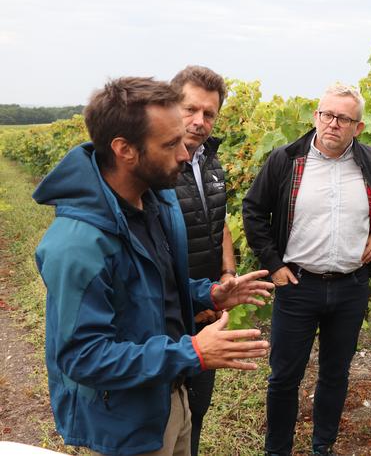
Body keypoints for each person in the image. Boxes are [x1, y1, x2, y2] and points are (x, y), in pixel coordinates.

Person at [33, 77, 274, 456]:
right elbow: (83, 357)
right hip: (126, 421)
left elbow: (153, 289)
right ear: (125, 150)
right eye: (170, 144)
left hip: (169, 396)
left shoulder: (156, 203)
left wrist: (207, 293)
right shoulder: (78, 244)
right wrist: (192, 353)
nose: (185, 153)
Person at [243, 84, 371, 456]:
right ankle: (278, 451)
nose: (333, 124)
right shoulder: (285, 161)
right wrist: (273, 265)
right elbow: (253, 211)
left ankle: (323, 447)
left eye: (344, 118)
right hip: (297, 286)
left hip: (351, 286)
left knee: (335, 375)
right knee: (284, 377)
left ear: (359, 127)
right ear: (315, 117)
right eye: (327, 115)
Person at [171, 65, 233, 455]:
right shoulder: (154, 165)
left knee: (197, 410)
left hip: (206, 303)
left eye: (209, 113)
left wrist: (226, 274)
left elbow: (220, 220)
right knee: (164, 414)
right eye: (191, 109)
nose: (199, 121)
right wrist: (187, 302)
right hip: (169, 309)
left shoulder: (211, 161)